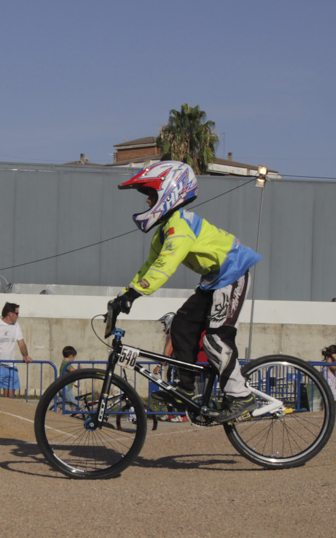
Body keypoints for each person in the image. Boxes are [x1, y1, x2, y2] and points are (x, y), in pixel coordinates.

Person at [109, 160, 262, 423]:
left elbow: (165, 266)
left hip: (233, 271)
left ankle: (241, 396)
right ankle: (185, 388)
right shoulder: (165, 232)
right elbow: (150, 267)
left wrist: (133, 296)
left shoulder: (180, 226)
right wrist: (124, 295)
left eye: (151, 196)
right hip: (215, 279)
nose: (147, 203)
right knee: (181, 325)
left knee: (215, 339)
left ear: (170, 193)